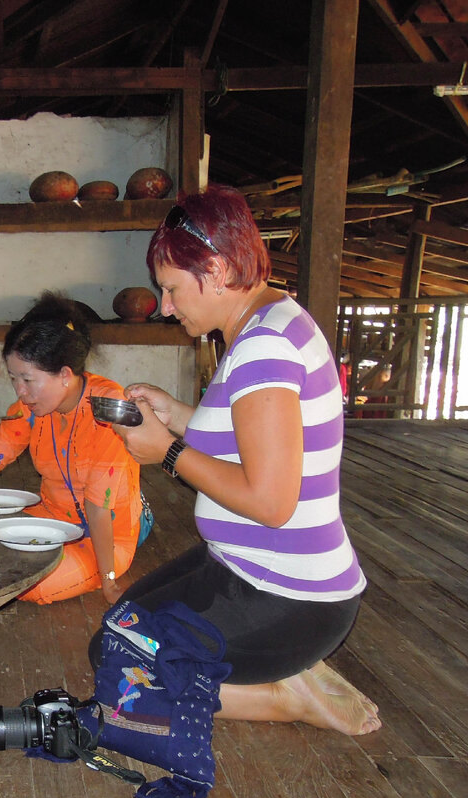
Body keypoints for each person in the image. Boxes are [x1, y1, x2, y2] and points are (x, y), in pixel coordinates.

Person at [103, 184, 380, 735]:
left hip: (286, 595)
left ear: (216, 268)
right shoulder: (273, 319)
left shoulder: (263, 350)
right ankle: (292, 668)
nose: (166, 307)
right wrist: (176, 413)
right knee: (120, 624)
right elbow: (247, 438)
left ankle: (290, 698)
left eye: (174, 289)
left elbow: (271, 502)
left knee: (118, 669)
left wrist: (168, 452)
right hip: (247, 567)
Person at [0, 293, 144, 605]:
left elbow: (99, 508)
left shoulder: (108, 411)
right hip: (52, 519)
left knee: (30, 584)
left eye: (28, 380)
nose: (20, 390)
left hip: (107, 535)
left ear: (64, 375)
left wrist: (109, 581)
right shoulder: (29, 408)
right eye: (13, 378)